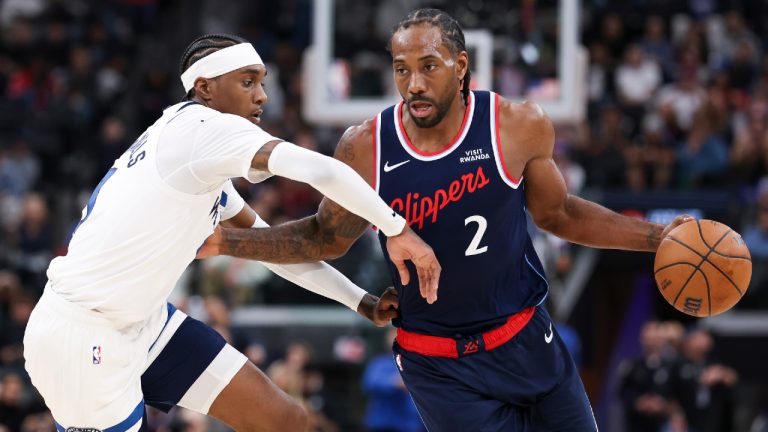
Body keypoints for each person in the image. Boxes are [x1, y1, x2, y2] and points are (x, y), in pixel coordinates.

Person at [200, 9, 691, 431]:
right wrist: (226, 242)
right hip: (440, 365)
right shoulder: (366, 147)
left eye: (428, 67)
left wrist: (657, 237)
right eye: (401, 69)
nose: (413, 84)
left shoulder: (515, 125)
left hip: (527, 339)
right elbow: (324, 238)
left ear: (461, 67)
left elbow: (558, 213)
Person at [22, 34, 441, 432]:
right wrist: (396, 227)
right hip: (82, 336)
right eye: (247, 82)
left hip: (144, 323)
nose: (262, 96)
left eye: (262, 82)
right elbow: (321, 169)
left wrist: (360, 300)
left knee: (285, 421)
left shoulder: (200, 162)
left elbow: (273, 251)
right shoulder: (200, 130)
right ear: (205, 89)